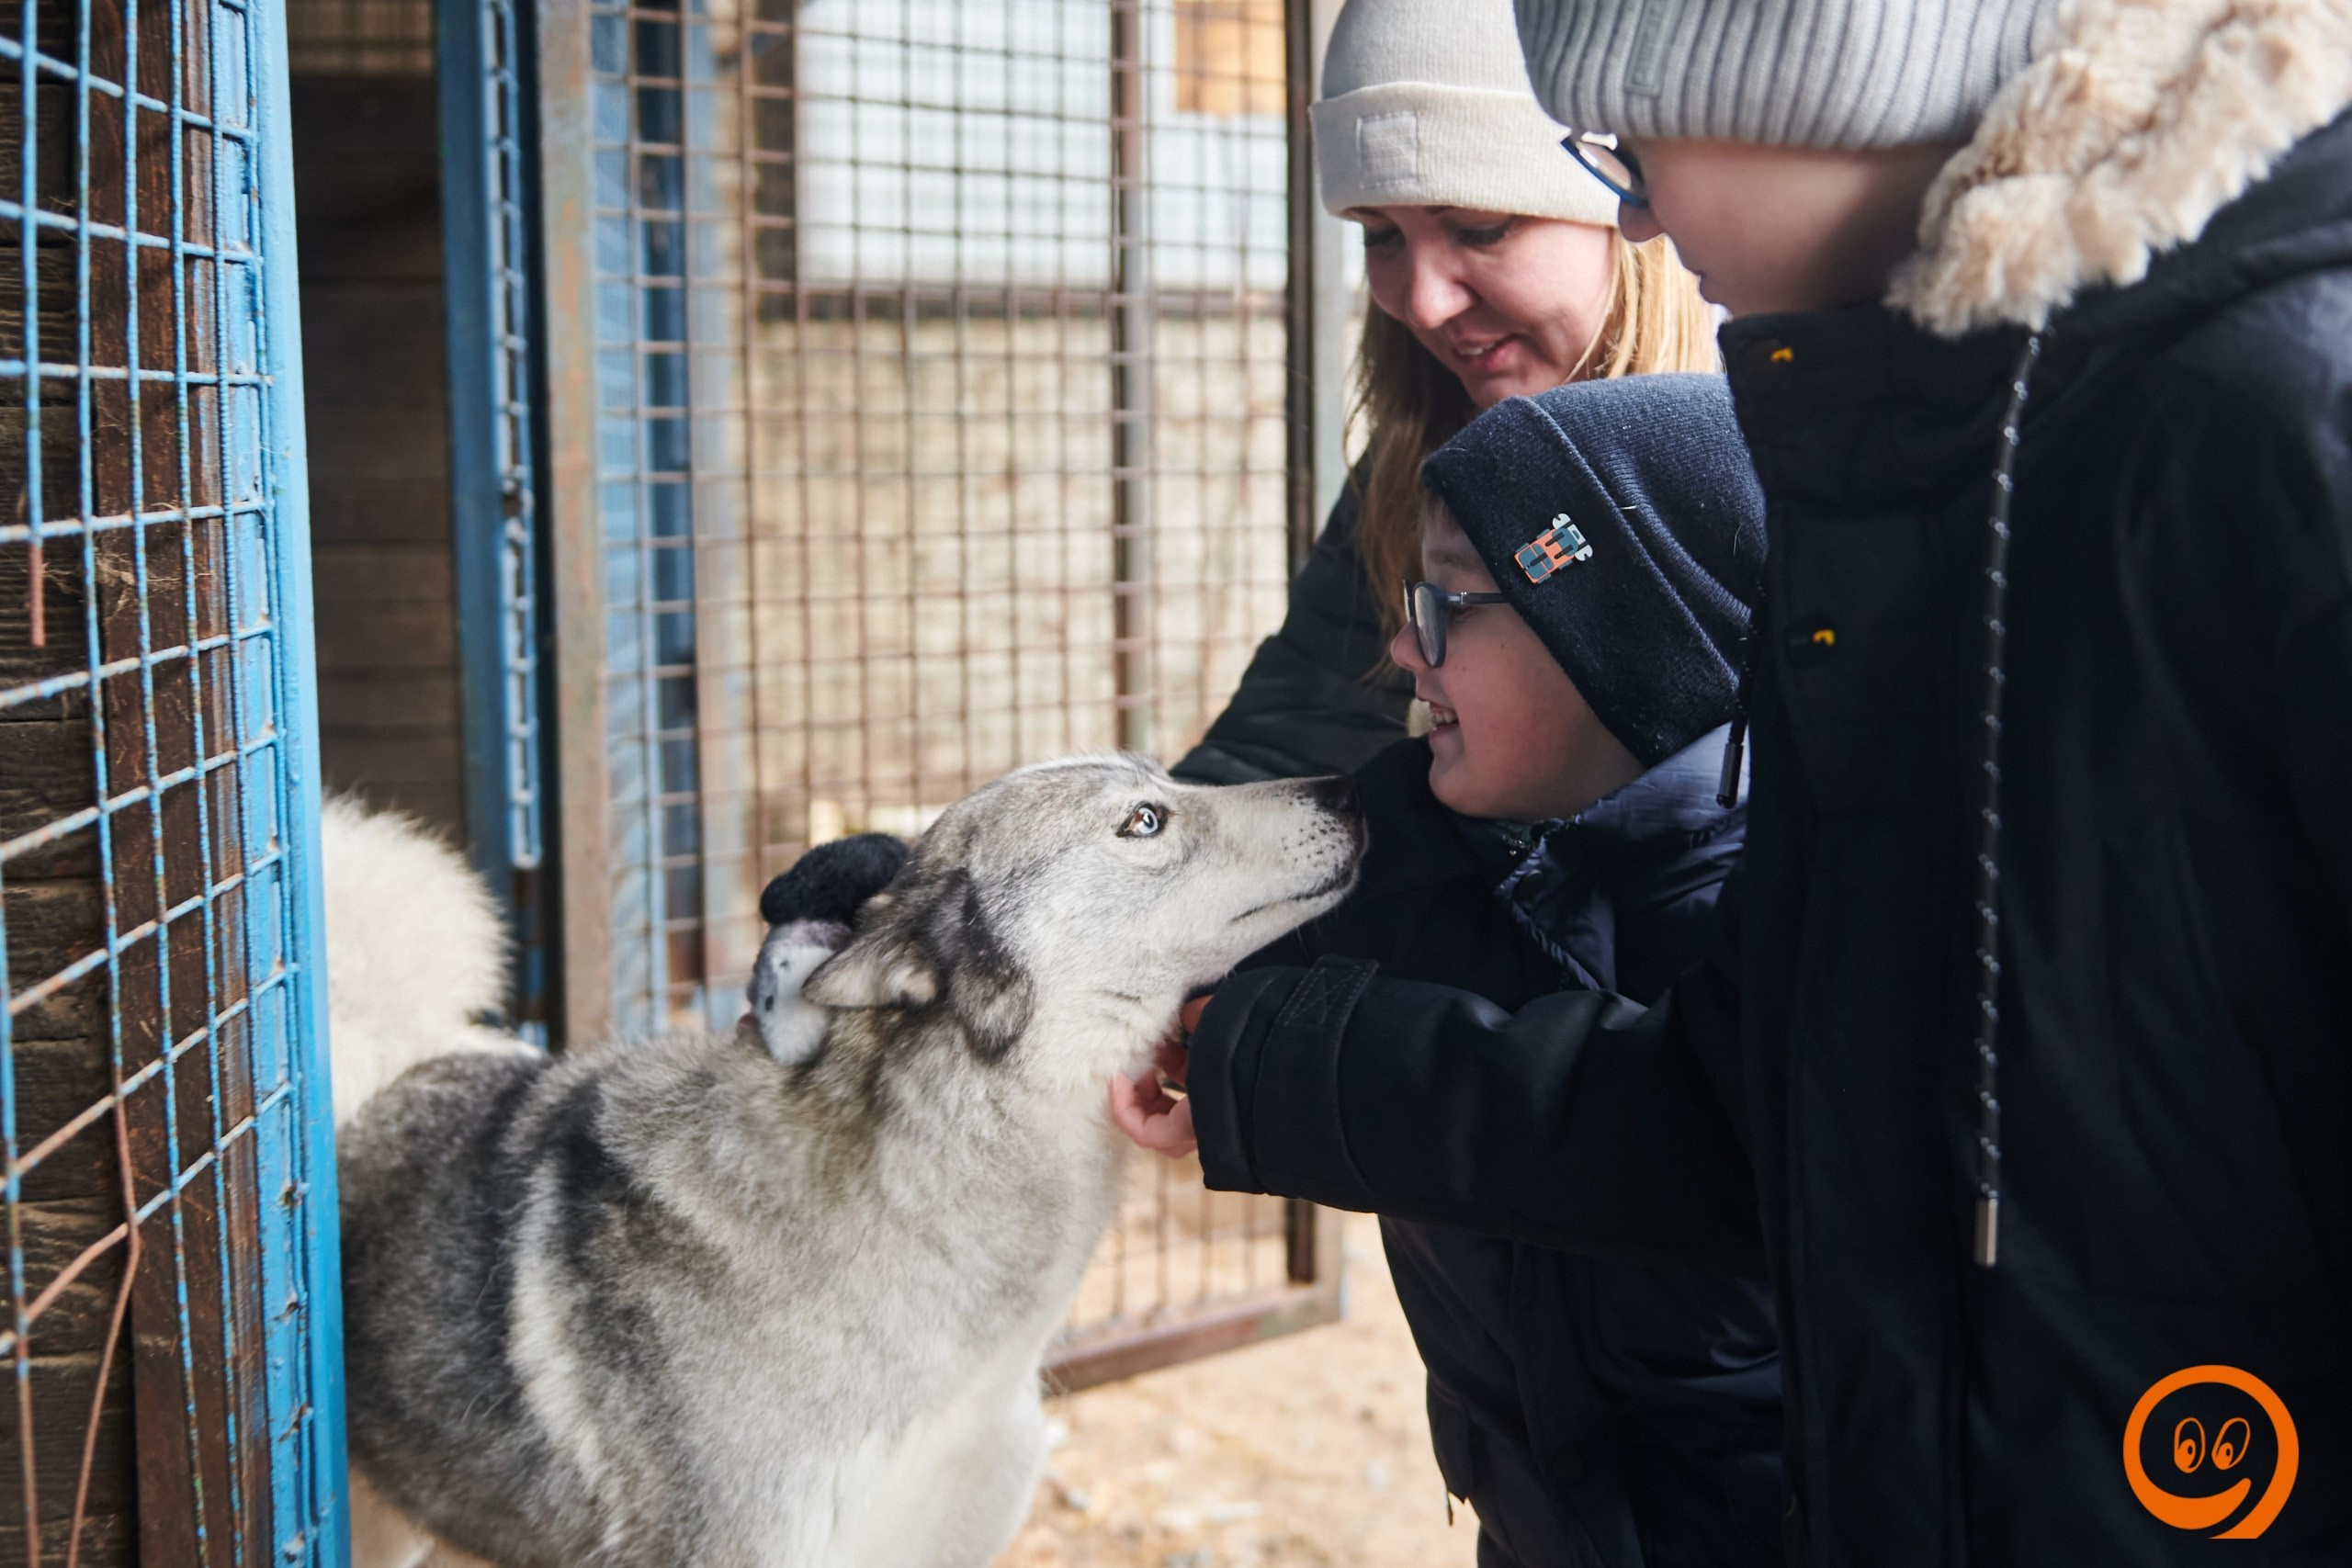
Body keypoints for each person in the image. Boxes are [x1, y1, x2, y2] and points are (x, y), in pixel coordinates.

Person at [1129, 1, 2352, 1562]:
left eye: (1623, 149)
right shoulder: (1912, 448)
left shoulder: (2230, 424)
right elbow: (1786, 1100)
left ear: (1815, 70)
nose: (1631, 203)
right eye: (1381, 232)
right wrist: (1211, 1030)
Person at [1130, 373, 1781, 1567]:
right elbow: (1187, 931)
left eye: (1447, 605)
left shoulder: (1788, 943)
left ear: (1618, 643)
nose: (1398, 646)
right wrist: (914, 911)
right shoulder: (1424, 861)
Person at [1172, 0, 1713, 786]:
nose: (1422, 304)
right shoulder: (1419, 466)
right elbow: (1279, 758)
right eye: (1379, 235)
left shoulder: (1781, 463)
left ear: (1628, 215)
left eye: (1481, 226)